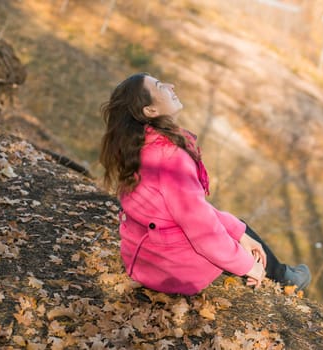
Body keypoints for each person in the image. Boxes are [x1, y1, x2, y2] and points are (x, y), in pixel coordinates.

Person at [99, 73, 311, 295]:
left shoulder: (139, 146)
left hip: (145, 261)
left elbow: (182, 209)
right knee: (226, 229)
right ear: (150, 111)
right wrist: (247, 265)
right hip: (171, 272)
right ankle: (287, 280)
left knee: (236, 226)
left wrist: (240, 233)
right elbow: (200, 227)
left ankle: (285, 275)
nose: (171, 85)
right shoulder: (169, 157)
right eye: (161, 86)